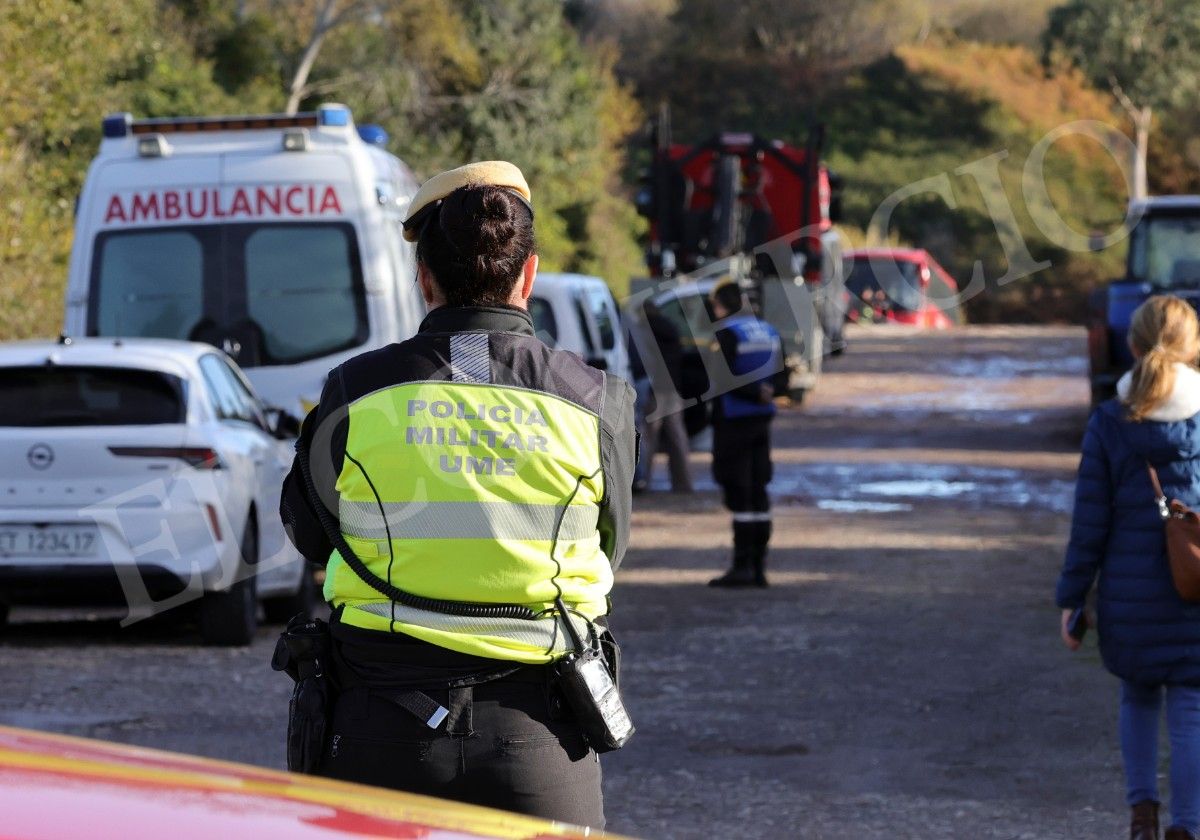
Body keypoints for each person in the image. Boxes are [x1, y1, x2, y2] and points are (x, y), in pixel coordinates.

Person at [279, 161, 636, 828]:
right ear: (527, 276)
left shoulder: (354, 392)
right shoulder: (596, 401)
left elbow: (307, 532)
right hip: (540, 733)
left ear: (424, 279)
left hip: (377, 727)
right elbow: (610, 543)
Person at [1057, 295, 1200, 840]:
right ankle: (1186, 829)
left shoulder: (1109, 422)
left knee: (1138, 697)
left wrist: (1073, 600)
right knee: (1190, 710)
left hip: (1127, 595)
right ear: (1193, 350)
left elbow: (1089, 521)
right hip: (1196, 592)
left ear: (1133, 345)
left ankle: (1142, 819)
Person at [706, 277, 786, 588]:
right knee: (757, 490)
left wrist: (753, 394)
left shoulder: (728, 334)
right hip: (761, 421)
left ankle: (742, 567)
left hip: (734, 421)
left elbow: (723, 379)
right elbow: (783, 377)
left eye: (714, 305)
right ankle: (758, 565)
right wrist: (767, 393)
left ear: (723, 305)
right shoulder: (768, 331)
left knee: (738, 492)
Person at [630, 299, 693, 493]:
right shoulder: (671, 328)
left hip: (656, 388)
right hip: (674, 387)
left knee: (648, 436)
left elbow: (645, 360)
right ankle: (683, 482)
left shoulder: (646, 331)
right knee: (677, 436)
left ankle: (643, 481)